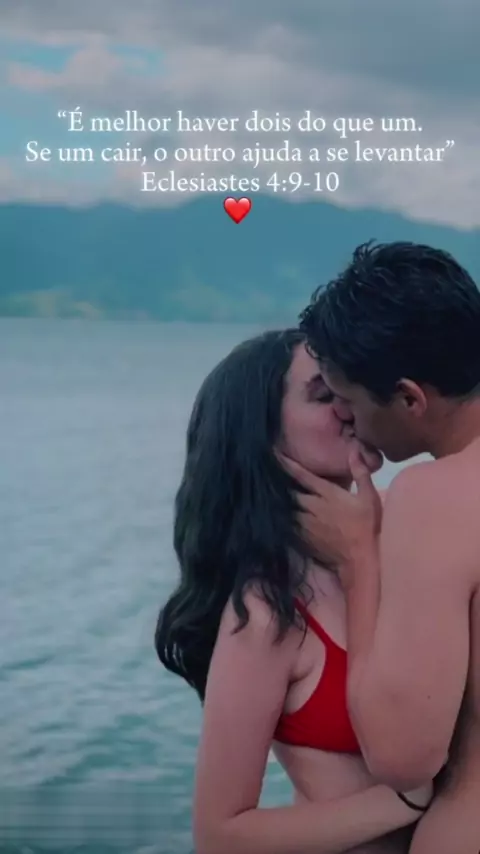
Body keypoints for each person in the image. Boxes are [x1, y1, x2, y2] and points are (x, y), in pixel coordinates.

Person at [154, 329, 433, 854]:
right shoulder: (267, 612)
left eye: (346, 386)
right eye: (325, 395)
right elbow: (220, 834)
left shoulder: (417, 528)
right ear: (263, 438)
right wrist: (404, 800)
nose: (349, 406)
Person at [288, 241, 480, 854]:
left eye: (346, 400)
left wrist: (359, 562)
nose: (346, 420)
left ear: (409, 398)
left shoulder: (435, 496)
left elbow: (403, 756)